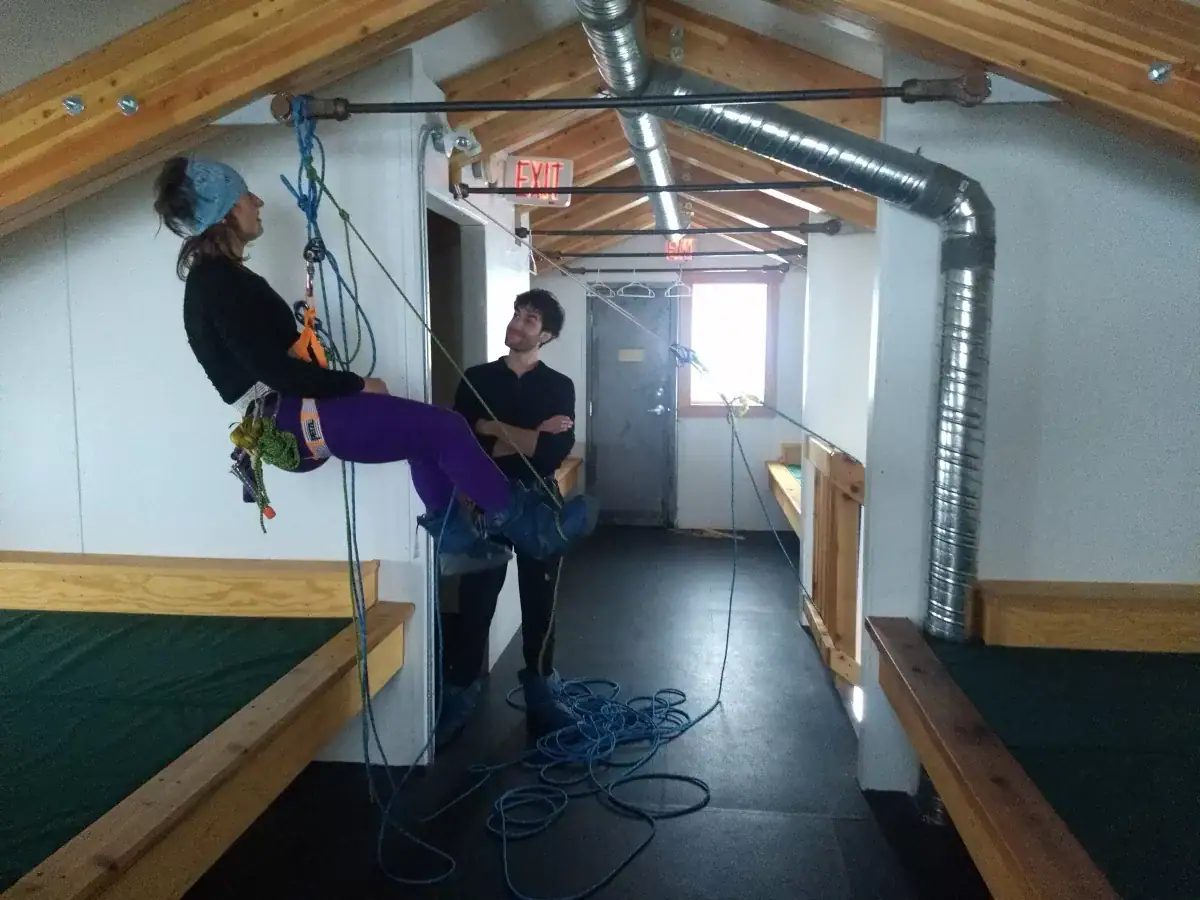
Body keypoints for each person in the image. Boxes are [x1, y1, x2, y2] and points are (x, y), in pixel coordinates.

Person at [152, 155, 597, 572]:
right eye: (246, 195)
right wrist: (355, 384)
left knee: (427, 440)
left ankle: (455, 540)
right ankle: (531, 528)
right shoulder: (218, 282)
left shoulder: (223, 279)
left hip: (288, 417)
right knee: (447, 428)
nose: (258, 201)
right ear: (225, 211)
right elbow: (275, 371)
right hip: (288, 417)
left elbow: (274, 362)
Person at [437, 289, 580, 744]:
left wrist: (491, 426)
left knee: (541, 606)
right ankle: (461, 694)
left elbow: (552, 453)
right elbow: (463, 444)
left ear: (546, 336)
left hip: (538, 504)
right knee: (476, 604)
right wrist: (529, 434)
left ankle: (541, 692)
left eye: (530, 320)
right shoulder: (477, 378)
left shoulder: (559, 386)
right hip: (486, 499)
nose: (517, 324)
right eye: (517, 314)